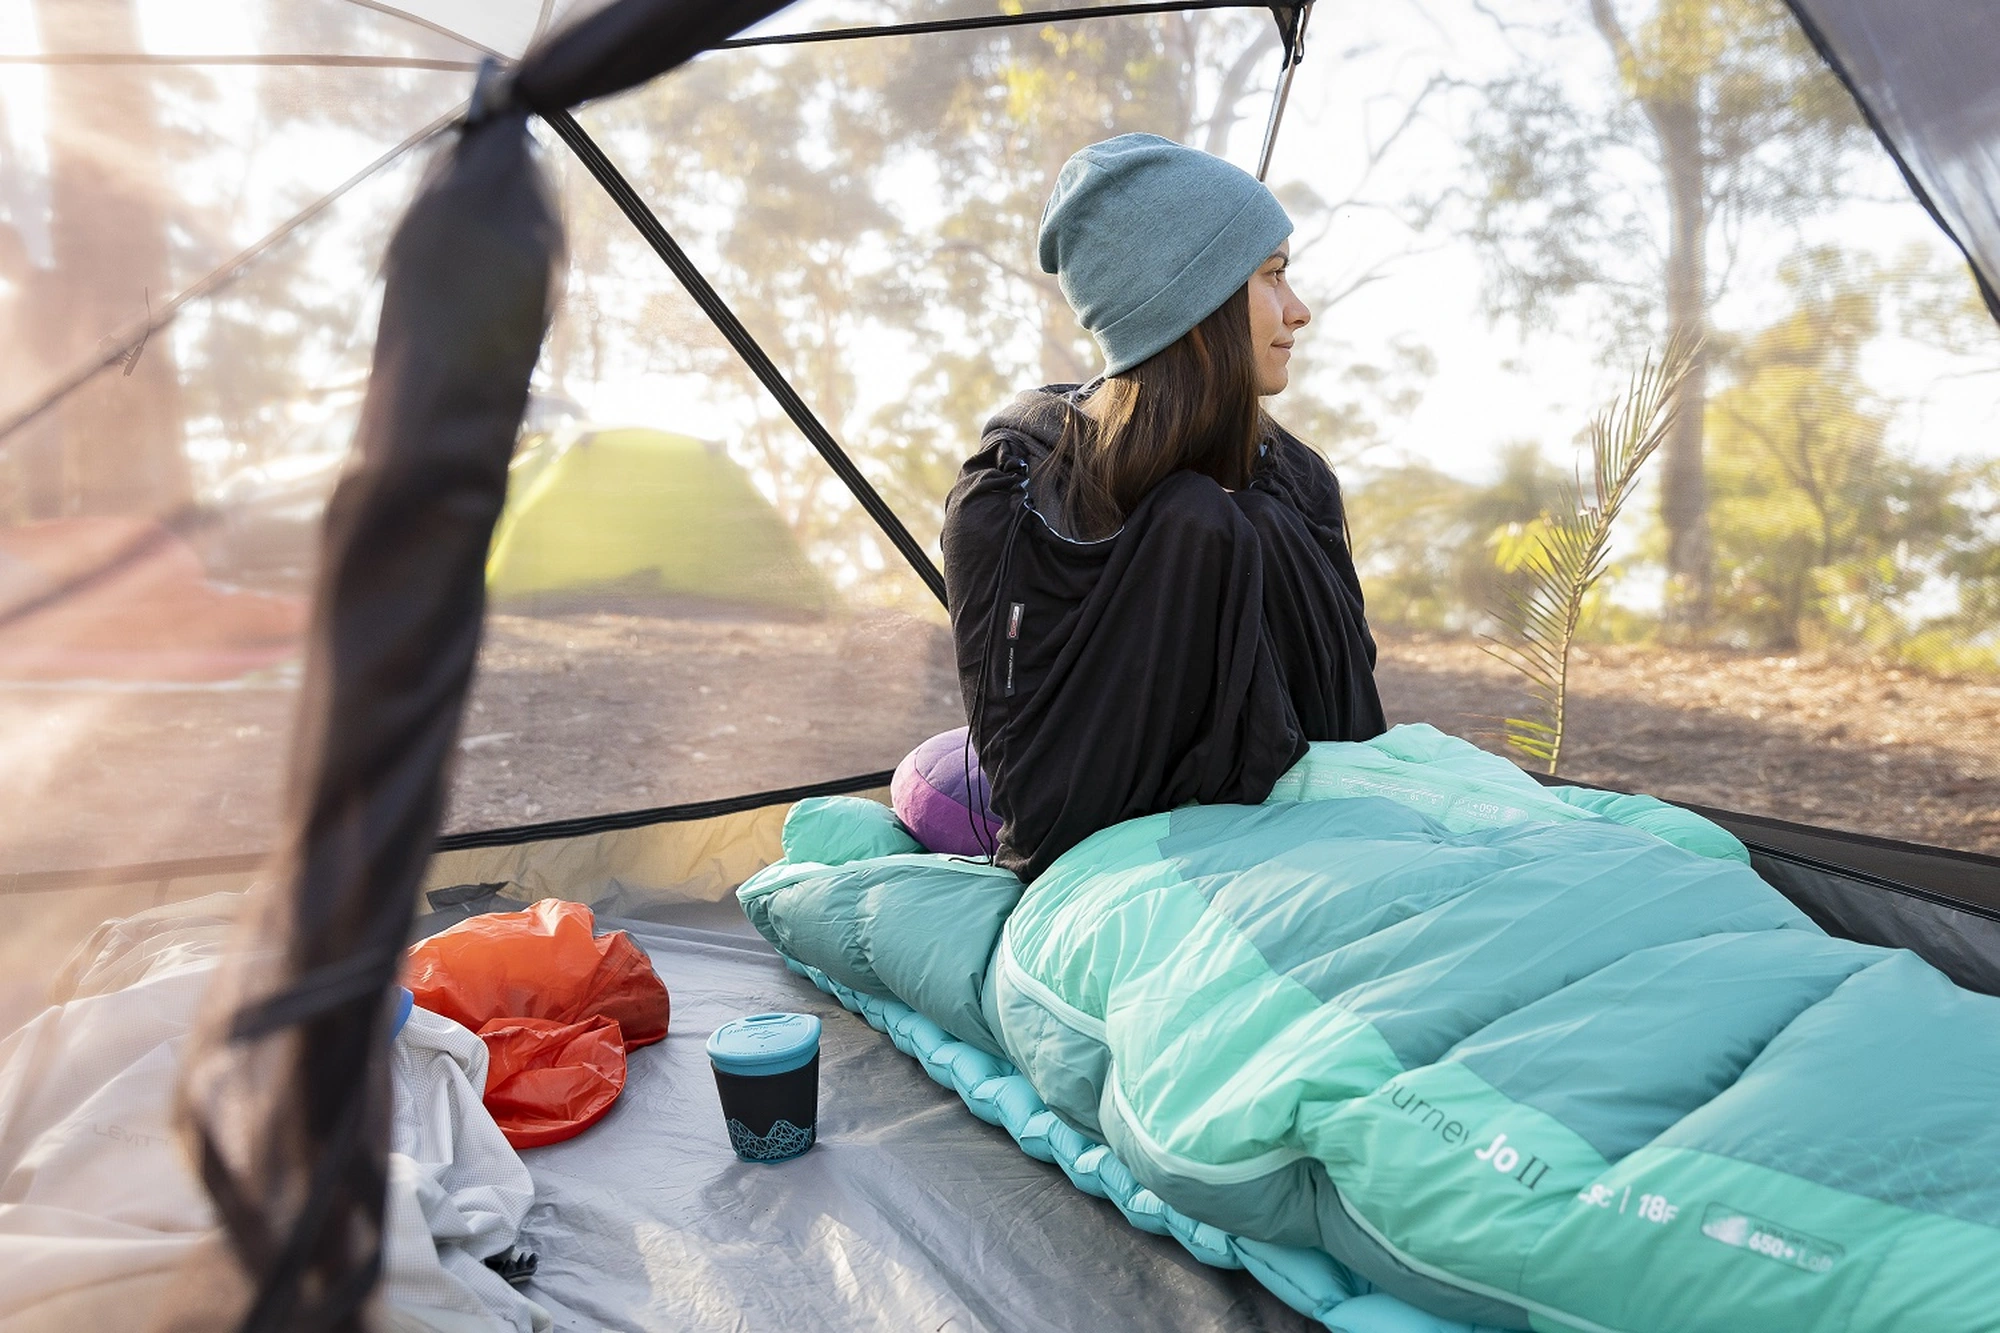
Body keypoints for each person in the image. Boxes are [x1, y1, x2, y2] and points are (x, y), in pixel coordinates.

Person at [941, 133, 1387, 882]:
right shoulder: (1012, 501)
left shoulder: (1295, 482)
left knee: (1256, 523)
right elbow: (1037, 792)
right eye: (1273, 276)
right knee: (1197, 520)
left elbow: (1358, 729)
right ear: (1195, 301)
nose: (1300, 310)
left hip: (1336, 849)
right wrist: (1192, 544)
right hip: (1106, 874)